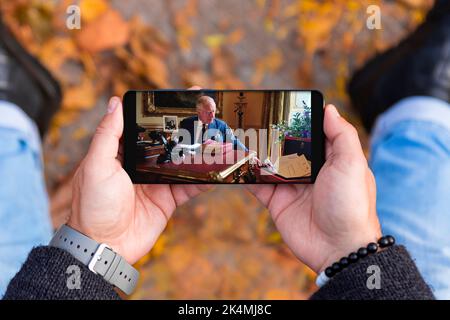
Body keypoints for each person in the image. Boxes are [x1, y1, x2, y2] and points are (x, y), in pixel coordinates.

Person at [2, 96, 434, 299]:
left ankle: (8, 115)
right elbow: (173, 146)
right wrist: (354, 250)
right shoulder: (188, 127)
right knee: (432, 250)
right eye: (206, 111)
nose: (209, 115)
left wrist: (92, 244)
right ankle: (423, 109)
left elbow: (235, 145)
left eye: (211, 111)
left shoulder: (223, 129)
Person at [179, 95, 248, 151]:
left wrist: (249, 156)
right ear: (199, 112)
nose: (212, 116)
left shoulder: (221, 125)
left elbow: (235, 143)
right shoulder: (186, 123)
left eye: (213, 111)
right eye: (209, 112)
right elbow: (179, 146)